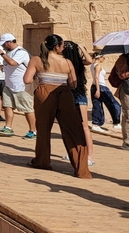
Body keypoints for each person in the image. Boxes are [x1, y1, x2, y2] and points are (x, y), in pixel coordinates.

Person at [24, 35, 91, 177]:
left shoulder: (37, 60)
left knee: (43, 129)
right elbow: (73, 84)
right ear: (57, 47)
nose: (63, 48)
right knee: (73, 130)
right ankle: (81, 168)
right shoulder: (67, 62)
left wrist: (40, 77)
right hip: (65, 93)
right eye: (62, 46)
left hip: (44, 92)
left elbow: (27, 80)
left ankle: (42, 161)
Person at [0, 33, 36, 138]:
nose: (3, 46)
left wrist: (2, 54)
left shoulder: (21, 52)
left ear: (10, 42)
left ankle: (33, 131)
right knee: (7, 106)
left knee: (27, 109)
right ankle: (8, 127)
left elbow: (13, 63)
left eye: (4, 44)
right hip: (9, 85)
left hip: (21, 86)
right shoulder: (8, 52)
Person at [62, 41, 95, 166]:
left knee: (84, 126)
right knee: (72, 127)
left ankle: (90, 155)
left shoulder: (78, 62)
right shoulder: (64, 63)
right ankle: (75, 151)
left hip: (78, 96)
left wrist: (81, 47)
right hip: (69, 95)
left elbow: (89, 60)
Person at [88, 52, 121, 133]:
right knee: (114, 104)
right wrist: (98, 89)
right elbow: (96, 77)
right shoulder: (98, 66)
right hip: (100, 86)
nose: (104, 59)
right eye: (103, 57)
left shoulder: (92, 65)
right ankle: (116, 122)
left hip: (95, 86)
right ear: (100, 57)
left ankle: (96, 124)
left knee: (97, 105)